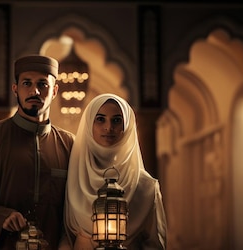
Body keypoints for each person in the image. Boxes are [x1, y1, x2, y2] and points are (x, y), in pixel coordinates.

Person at [0, 55, 75, 249]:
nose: (34, 90)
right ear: (15, 88)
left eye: (42, 84)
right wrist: (0, 217)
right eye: (27, 83)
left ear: (55, 91)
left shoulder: (69, 145)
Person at [63, 93, 167, 249]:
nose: (108, 127)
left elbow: (155, 244)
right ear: (89, 124)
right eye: (100, 119)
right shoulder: (73, 176)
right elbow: (64, 236)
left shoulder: (146, 186)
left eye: (117, 120)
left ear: (127, 126)